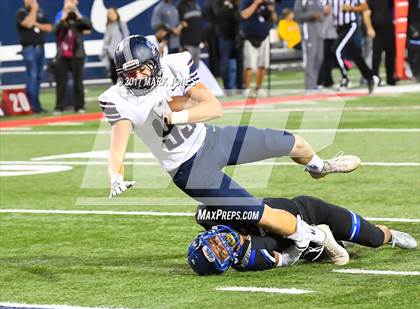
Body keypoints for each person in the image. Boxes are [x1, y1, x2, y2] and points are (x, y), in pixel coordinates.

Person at [98, 35, 362, 260]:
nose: (136, 78)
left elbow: (214, 107)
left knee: (294, 142)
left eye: (141, 69)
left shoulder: (175, 65)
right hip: (190, 171)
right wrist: (116, 175)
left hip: (213, 139)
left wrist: (175, 116)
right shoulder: (119, 99)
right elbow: (117, 145)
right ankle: (317, 236)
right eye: (128, 73)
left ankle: (319, 166)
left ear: (154, 61)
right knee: (263, 215)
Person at [188, 196, 417, 275]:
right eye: (219, 252)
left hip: (308, 210)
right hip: (308, 245)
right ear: (225, 263)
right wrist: (301, 241)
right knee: (328, 250)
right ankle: (334, 240)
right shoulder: (249, 259)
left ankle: (389, 235)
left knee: (375, 238)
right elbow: (286, 260)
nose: (222, 243)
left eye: (213, 242)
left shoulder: (212, 215)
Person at [324, 0, 379, 93]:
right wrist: (326, 10)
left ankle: (345, 79)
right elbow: (326, 8)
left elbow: (365, 6)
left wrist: (352, 8)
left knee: (336, 50)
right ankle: (370, 77)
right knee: (354, 54)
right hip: (338, 27)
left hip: (350, 25)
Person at [53, 1, 92, 114]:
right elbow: (54, 31)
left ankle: (80, 106)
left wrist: (77, 14)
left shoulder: (78, 20)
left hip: (77, 54)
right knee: (61, 82)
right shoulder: (61, 19)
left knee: (78, 82)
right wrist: (63, 17)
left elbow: (88, 26)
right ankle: (59, 107)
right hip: (62, 55)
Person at [16, 0, 52, 113]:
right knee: (32, 76)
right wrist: (34, 10)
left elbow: (49, 28)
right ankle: (31, 106)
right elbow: (28, 24)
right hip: (29, 49)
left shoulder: (42, 12)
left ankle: (37, 105)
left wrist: (36, 23)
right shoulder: (21, 13)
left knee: (39, 77)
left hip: (40, 48)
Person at [240, 0, 277, 96]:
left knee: (262, 64)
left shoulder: (265, 4)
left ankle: (259, 87)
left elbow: (273, 19)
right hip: (250, 37)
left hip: (264, 37)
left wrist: (272, 10)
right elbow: (244, 15)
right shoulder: (246, 2)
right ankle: (247, 87)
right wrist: (255, 3)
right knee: (249, 65)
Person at [294, 0, 326, 92]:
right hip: (308, 33)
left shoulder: (319, 1)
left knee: (319, 58)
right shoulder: (301, 1)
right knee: (310, 59)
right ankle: (309, 85)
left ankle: (314, 83)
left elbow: (321, 17)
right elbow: (297, 16)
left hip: (319, 32)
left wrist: (324, 14)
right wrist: (313, 15)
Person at [364, 0, 396, 86]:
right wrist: (369, 28)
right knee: (376, 55)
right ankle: (375, 77)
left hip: (390, 28)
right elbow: (367, 13)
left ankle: (390, 78)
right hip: (377, 30)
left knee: (391, 55)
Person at [216, 0, 244, 91]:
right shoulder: (224, 8)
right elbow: (233, 20)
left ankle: (239, 85)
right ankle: (227, 86)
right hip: (226, 38)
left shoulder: (235, 8)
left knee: (240, 62)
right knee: (225, 63)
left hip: (235, 38)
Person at [101, 7, 130, 84]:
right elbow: (106, 41)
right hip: (111, 55)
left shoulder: (121, 24)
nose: (111, 15)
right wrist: (105, 51)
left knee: (123, 74)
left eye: (112, 13)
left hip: (120, 54)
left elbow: (126, 38)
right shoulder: (108, 27)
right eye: (109, 14)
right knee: (113, 75)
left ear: (116, 13)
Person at [177, 0, 204, 67]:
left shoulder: (196, 4)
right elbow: (177, 24)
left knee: (196, 68)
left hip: (197, 42)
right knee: (187, 67)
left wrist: (203, 39)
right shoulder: (180, 6)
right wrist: (183, 44)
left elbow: (199, 23)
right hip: (187, 43)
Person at [318, 9, 338, 88]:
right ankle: (321, 81)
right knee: (324, 58)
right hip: (325, 34)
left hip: (332, 34)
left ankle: (326, 81)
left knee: (328, 59)